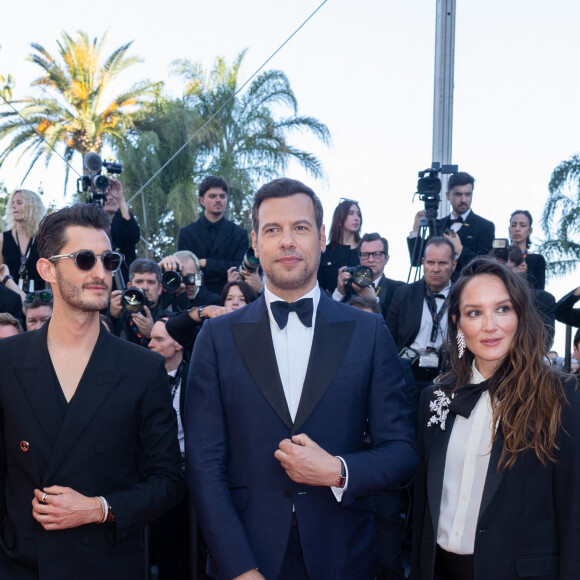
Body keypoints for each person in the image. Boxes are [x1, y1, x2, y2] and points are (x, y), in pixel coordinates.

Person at [186, 177, 417, 580]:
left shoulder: (368, 332)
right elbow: (204, 464)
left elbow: (401, 450)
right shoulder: (217, 338)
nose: (287, 241)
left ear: (323, 237)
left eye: (301, 227)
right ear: (255, 243)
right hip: (247, 556)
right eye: (273, 230)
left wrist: (338, 471)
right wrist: (238, 567)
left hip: (345, 554)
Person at [0, 203, 184, 579]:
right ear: (47, 269)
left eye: (109, 260)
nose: (101, 273)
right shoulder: (6, 360)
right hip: (21, 565)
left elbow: (168, 481)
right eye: (85, 259)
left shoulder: (142, 367)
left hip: (108, 565)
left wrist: (99, 508)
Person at [411, 257, 580, 580]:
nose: (490, 326)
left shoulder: (563, 397)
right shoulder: (434, 399)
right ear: (458, 324)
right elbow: (424, 508)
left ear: (520, 315)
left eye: (502, 309)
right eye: (475, 313)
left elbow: (574, 515)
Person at [387, 237, 457, 397]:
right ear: (424, 262)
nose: (436, 269)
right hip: (408, 372)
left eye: (443, 263)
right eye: (431, 262)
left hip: (448, 374)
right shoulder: (403, 294)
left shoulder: (463, 297)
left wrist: (456, 367)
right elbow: (389, 339)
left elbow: (464, 340)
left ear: (454, 265)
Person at [148, 319, 190, 580]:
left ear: (178, 344)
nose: (150, 344)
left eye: (159, 339)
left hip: (190, 482)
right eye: (150, 338)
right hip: (158, 478)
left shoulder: (195, 376)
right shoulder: (144, 378)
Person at [408, 172, 495, 279]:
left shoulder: (485, 226)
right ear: (448, 195)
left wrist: (461, 250)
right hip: (435, 290)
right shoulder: (438, 224)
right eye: (458, 194)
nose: (464, 200)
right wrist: (416, 228)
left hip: (466, 290)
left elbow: (485, 267)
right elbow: (416, 261)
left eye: (468, 194)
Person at [177, 176, 249, 295]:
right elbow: (186, 273)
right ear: (202, 201)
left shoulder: (239, 233)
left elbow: (239, 268)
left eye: (222, 196)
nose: (218, 200)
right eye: (212, 196)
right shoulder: (187, 233)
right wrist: (223, 269)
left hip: (228, 294)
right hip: (196, 296)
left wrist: (206, 263)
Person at [334, 232, 405, 319]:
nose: (371, 260)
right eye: (365, 255)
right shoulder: (348, 288)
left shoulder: (399, 289)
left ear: (386, 258)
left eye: (377, 254)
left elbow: (398, 325)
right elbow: (331, 318)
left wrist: (375, 301)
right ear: (360, 259)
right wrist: (339, 293)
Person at [109, 258, 169, 346]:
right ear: (129, 286)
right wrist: (112, 318)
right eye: (139, 281)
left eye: (151, 282)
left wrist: (152, 334)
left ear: (160, 289)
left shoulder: (169, 321)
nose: (145, 287)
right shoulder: (118, 316)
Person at [0, 188, 46, 291]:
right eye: (12, 203)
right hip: (10, 303)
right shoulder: (2, 238)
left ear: (32, 207)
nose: (14, 206)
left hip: (38, 302)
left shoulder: (44, 238)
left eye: (19, 203)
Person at [317, 198, 361, 294]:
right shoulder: (325, 252)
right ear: (340, 218)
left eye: (358, 214)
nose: (356, 218)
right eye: (351, 213)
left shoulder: (365, 252)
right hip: (330, 306)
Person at [103, 178, 141, 284]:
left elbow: (133, 236)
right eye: (106, 195)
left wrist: (120, 199)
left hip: (125, 278)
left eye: (113, 196)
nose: (110, 199)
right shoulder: (93, 222)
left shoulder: (124, 218)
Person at [508, 209, 545, 289]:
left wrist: (525, 273)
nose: (517, 229)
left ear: (530, 230)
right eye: (513, 225)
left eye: (523, 225)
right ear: (509, 229)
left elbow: (540, 293)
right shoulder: (500, 256)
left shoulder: (537, 259)